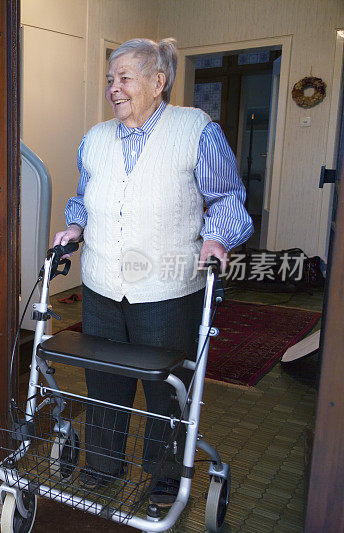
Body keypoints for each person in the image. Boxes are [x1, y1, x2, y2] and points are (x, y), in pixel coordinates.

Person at [53, 38, 253, 507]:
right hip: (102, 285)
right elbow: (83, 196)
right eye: (109, 80)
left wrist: (217, 237)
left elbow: (227, 198)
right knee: (104, 383)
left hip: (168, 288)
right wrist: (75, 225)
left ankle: (165, 479)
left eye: (124, 78)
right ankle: (103, 467)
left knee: (167, 391)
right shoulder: (95, 138)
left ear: (158, 81)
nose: (113, 88)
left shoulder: (195, 129)